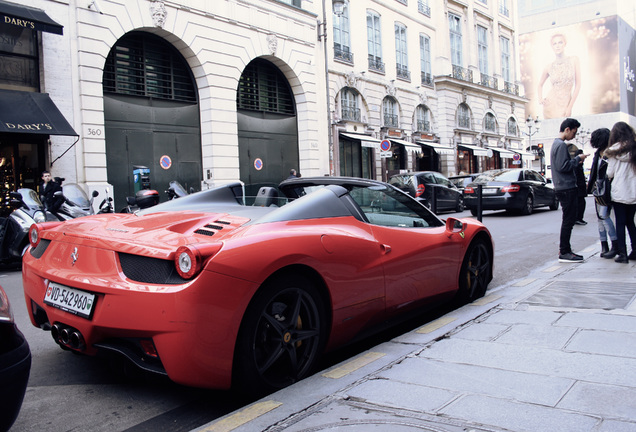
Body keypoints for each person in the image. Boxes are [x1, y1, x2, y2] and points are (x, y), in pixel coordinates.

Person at [550, 118, 588, 263]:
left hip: (563, 187)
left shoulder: (557, 144)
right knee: (568, 220)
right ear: (567, 129)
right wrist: (578, 159)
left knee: (569, 220)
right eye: (574, 132)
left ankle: (565, 250)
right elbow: (563, 166)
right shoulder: (560, 145)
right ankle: (565, 251)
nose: (574, 135)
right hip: (566, 187)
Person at [605, 121, 636, 263]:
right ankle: (635, 250)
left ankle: (622, 254)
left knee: (620, 223)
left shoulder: (613, 151)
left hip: (619, 191)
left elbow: (610, 173)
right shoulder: (634, 149)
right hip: (633, 191)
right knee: (631, 222)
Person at [586, 128, 618, 258]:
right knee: (600, 217)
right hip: (598, 189)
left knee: (604, 215)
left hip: (608, 189)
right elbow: (594, 171)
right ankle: (604, 245)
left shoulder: (611, 153)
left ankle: (615, 243)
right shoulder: (597, 153)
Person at [537, 33, 581, 119]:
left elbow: (578, 84)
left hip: (566, 104)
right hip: (550, 105)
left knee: (565, 128)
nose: (557, 46)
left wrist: (570, 107)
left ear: (565, 44)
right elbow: (539, 84)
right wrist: (540, 99)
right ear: (552, 46)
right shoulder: (549, 66)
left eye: (560, 42)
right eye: (554, 43)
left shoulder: (574, 60)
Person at [567, 142, 587, 225]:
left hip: (580, 187)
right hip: (578, 188)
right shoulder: (576, 165)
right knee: (580, 204)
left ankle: (579, 218)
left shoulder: (579, 165)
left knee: (581, 203)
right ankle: (577, 218)